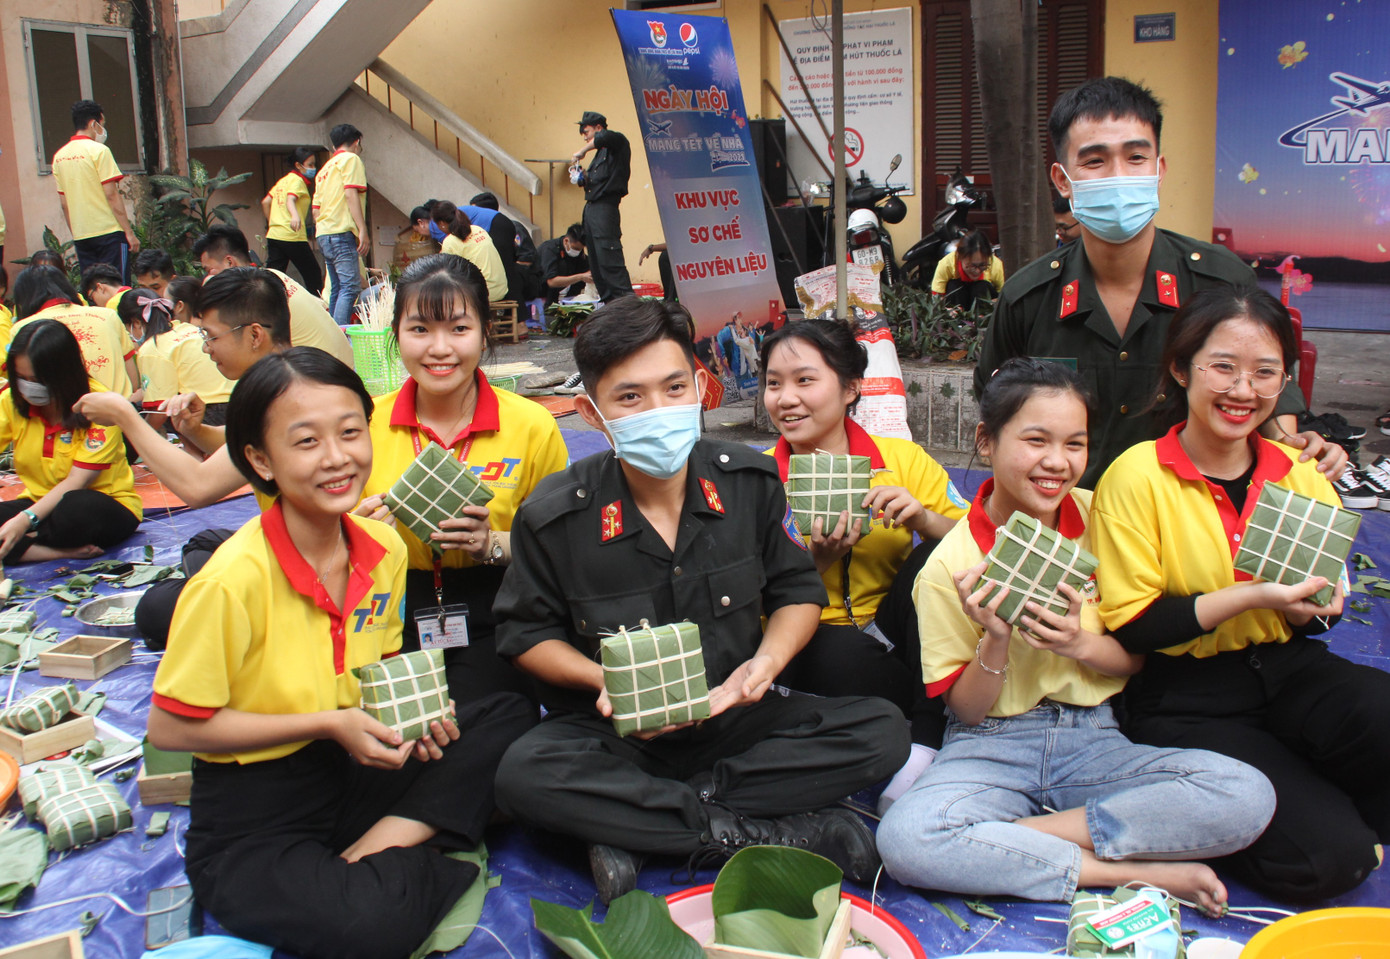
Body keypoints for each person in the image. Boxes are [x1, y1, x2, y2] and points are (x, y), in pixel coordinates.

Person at [492, 296, 908, 904]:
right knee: (523, 775)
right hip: (621, 735)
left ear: (701, 386)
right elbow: (525, 635)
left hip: (732, 718)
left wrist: (763, 666)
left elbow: (796, 590)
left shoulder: (748, 482)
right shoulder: (556, 514)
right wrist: (602, 679)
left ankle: (651, 826)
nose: (658, 410)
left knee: (881, 730)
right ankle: (761, 830)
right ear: (589, 412)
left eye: (673, 387)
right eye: (630, 398)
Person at [147, 347, 535, 959]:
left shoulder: (384, 547)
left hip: (359, 767)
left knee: (508, 714)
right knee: (367, 928)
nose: (337, 458)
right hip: (259, 811)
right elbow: (170, 725)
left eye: (351, 432)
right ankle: (417, 850)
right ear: (259, 459)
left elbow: (375, 677)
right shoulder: (230, 581)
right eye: (305, 442)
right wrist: (330, 722)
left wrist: (416, 723)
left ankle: (385, 841)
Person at [877, 357, 1275, 911]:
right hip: (988, 748)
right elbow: (965, 713)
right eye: (1036, 440)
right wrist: (995, 637)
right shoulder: (950, 566)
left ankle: (1019, 837)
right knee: (905, 839)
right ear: (986, 441)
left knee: (1245, 794)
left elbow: (1135, 660)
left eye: (1075, 444)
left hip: (1094, 740)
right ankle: (1126, 872)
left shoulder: (1103, 519)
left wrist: (1076, 643)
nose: (1056, 463)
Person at [1091, 286, 1390, 902]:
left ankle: (1314, 791)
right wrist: (1255, 595)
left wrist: (1320, 610)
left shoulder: (1300, 473)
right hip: (1184, 696)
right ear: (1181, 369)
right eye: (1223, 367)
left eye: (1265, 372)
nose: (1242, 391)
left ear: (1285, 380)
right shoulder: (1137, 474)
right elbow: (1134, 626)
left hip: (1290, 669)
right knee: (1330, 862)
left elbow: (1315, 618)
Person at [975, 76, 1342, 490]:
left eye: (1135, 157)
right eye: (1095, 161)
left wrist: (1293, 445)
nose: (1118, 176)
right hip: (1066, 521)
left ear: (1159, 169)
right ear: (1063, 181)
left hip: (1187, 518)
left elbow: (1260, 388)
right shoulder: (1029, 297)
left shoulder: (1221, 283)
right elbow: (998, 403)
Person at [761, 319, 967, 804]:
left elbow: (980, 543)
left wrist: (924, 518)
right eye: (774, 384)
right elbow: (747, 595)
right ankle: (923, 723)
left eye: (804, 380)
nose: (786, 398)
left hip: (897, 634)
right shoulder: (757, 476)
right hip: (813, 643)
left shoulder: (903, 460)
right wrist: (815, 561)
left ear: (851, 387)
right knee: (840, 657)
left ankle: (926, 739)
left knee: (936, 555)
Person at [355, 254, 567, 706]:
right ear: (396, 334)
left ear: (485, 331)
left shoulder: (531, 426)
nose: (439, 348)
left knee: (486, 722)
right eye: (419, 329)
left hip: (499, 607)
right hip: (385, 610)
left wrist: (492, 544)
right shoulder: (362, 424)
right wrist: (355, 536)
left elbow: (564, 544)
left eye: (458, 328)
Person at [75, 268, 295, 648]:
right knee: (202, 545)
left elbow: (199, 487)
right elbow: (246, 449)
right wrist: (193, 429)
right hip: (287, 538)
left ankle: (260, 620)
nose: (206, 349)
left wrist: (125, 416)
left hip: (307, 555)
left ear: (255, 334)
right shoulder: (279, 378)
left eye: (210, 337)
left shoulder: (285, 392)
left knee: (156, 610)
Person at [0, 319, 141, 564]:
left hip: (101, 506)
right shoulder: (12, 400)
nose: (27, 388)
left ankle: (19, 544)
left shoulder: (98, 405)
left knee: (76, 508)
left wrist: (24, 521)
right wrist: (26, 517)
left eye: (35, 379)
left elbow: (78, 480)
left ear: (62, 374)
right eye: (20, 378)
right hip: (38, 505)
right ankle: (53, 551)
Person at [194, 225, 353, 369]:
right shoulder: (273, 277)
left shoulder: (250, 295)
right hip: (342, 369)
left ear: (230, 262)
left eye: (209, 271)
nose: (207, 279)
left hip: (318, 378)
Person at [117, 288, 234, 441]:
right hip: (236, 402)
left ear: (136, 323)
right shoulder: (187, 328)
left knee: (171, 413)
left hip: (207, 410)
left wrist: (138, 437)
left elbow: (158, 411)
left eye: (128, 330)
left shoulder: (152, 348)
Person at [9, 265, 139, 400]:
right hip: (120, 412)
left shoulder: (22, 328)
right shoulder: (108, 315)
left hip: (65, 417)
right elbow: (132, 379)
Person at [51, 100, 139, 279]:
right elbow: (111, 195)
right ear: (93, 124)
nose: (103, 130)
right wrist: (129, 233)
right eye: (102, 124)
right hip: (109, 233)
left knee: (93, 289)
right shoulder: (100, 151)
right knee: (117, 287)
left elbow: (65, 204)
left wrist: (76, 233)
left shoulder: (59, 157)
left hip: (82, 235)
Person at [570, 111, 634, 302]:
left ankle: (629, 310)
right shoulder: (599, 155)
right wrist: (581, 177)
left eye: (587, 131)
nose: (585, 137)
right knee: (597, 266)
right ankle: (610, 307)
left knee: (610, 263)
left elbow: (607, 137)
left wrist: (583, 151)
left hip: (605, 209)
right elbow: (596, 183)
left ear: (598, 128)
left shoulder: (616, 143)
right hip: (591, 209)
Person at [313, 123, 369, 327]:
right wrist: (362, 229)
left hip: (324, 233)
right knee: (350, 287)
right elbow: (350, 193)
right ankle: (340, 338)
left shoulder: (324, 169)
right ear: (357, 142)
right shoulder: (351, 159)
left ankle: (333, 332)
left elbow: (315, 210)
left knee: (337, 287)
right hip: (341, 231)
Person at [262, 146, 324, 297]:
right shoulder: (297, 181)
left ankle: (265, 302)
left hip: (275, 234)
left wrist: (273, 223)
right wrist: (295, 216)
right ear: (298, 165)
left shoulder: (283, 181)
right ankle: (318, 306)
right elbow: (291, 199)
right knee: (313, 274)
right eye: (310, 165)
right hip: (292, 235)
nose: (313, 168)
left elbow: (265, 202)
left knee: (273, 276)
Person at [430, 202, 507, 302]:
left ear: (441, 223)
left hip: (482, 294)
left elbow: (445, 273)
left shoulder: (450, 242)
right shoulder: (479, 229)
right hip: (500, 289)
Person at [931, 230, 1005, 311]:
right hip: (957, 306)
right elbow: (936, 298)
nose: (977, 271)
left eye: (982, 265)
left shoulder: (996, 265)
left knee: (981, 287)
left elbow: (1004, 296)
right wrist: (946, 310)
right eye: (972, 266)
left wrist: (995, 303)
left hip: (983, 308)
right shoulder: (946, 264)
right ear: (960, 257)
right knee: (954, 286)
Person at [538, 223, 591, 305]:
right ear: (566, 241)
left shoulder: (580, 255)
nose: (577, 252)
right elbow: (551, 281)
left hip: (561, 294)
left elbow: (583, 273)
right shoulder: (550, 249)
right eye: (576, 248)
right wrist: (581, 277)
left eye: (580, 249)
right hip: (540, 290)